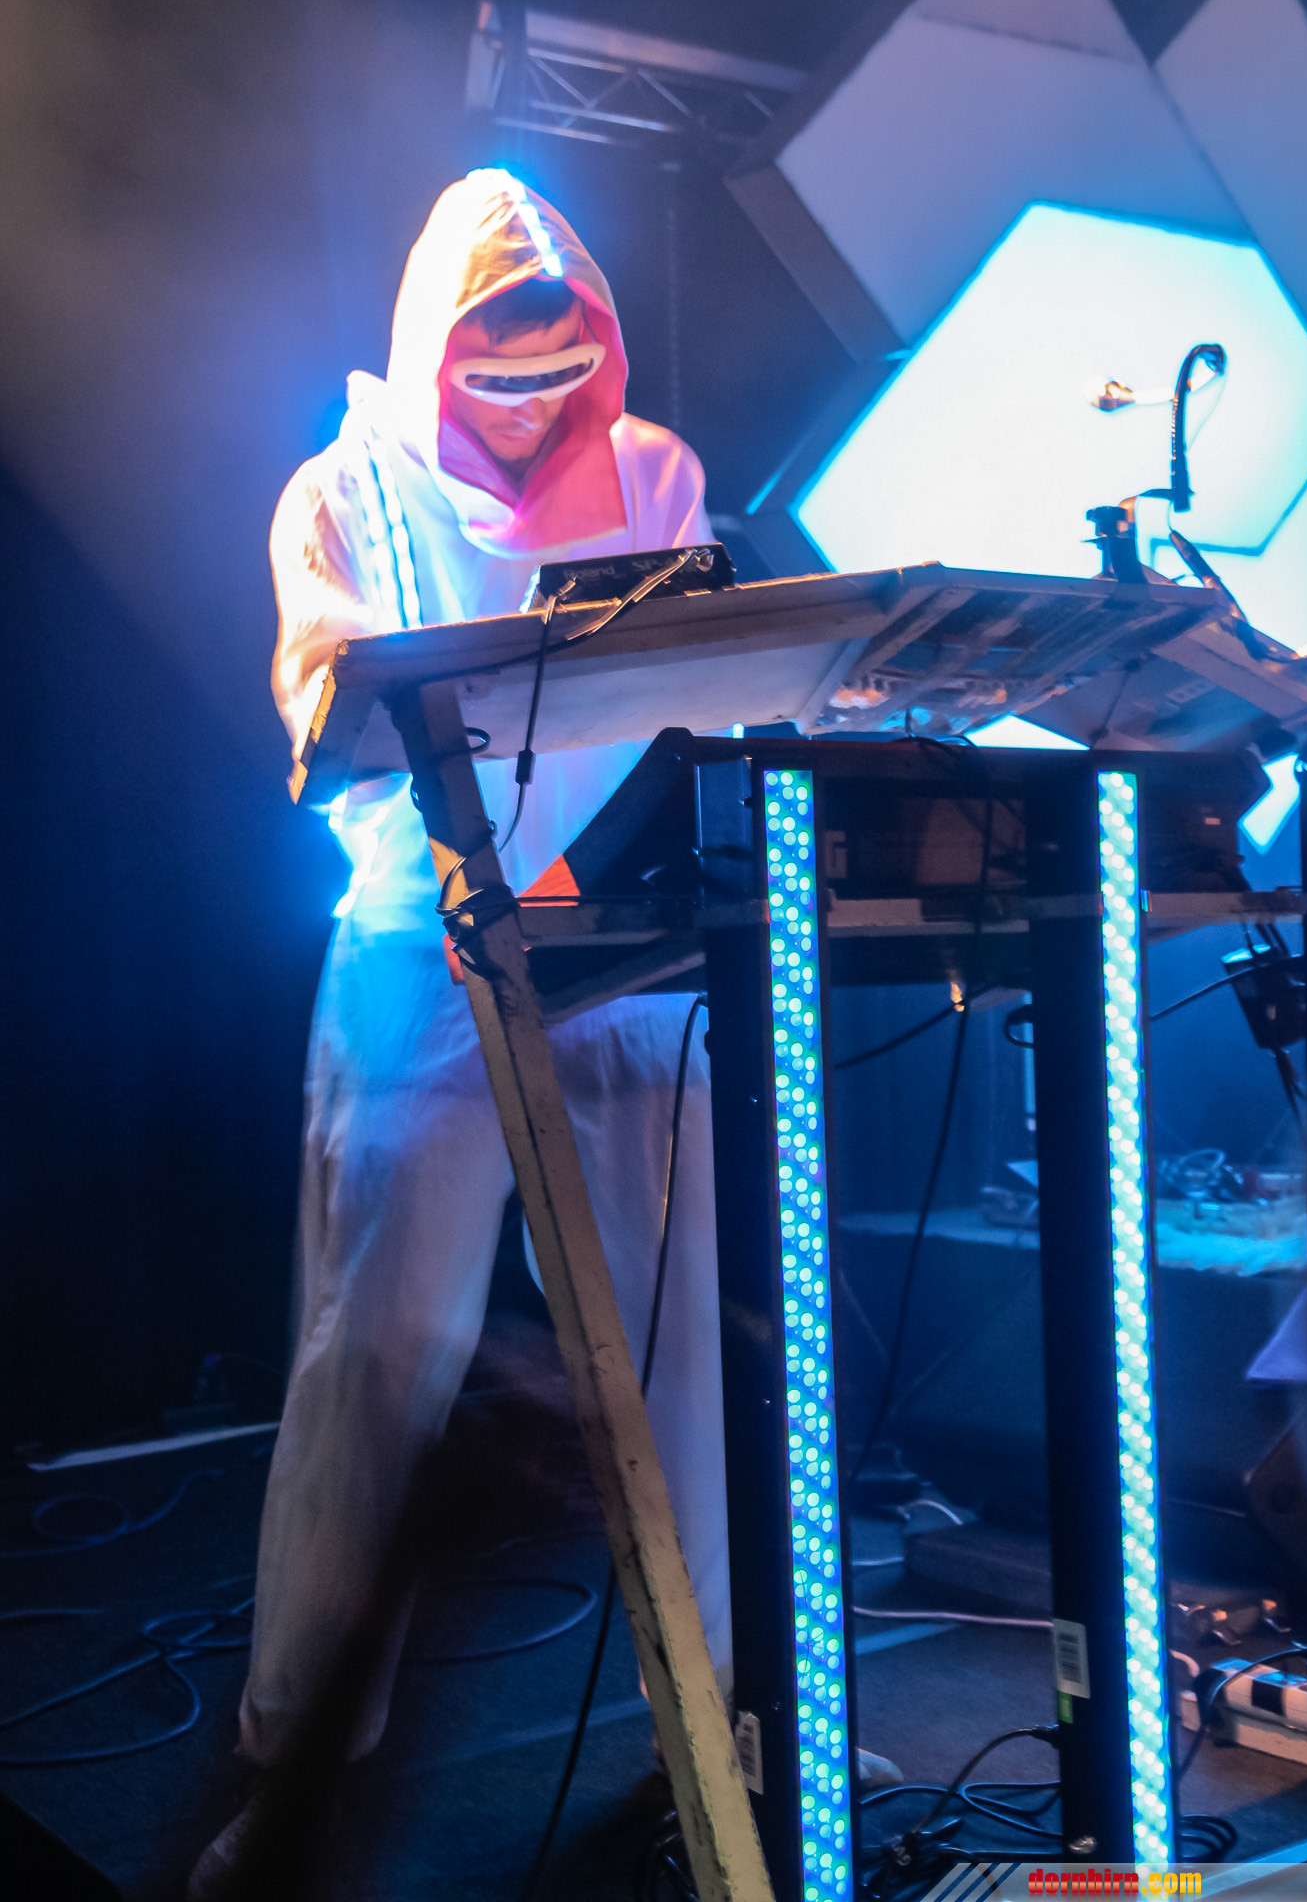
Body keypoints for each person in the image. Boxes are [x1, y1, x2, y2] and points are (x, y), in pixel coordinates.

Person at [188, 169, 732, 1898]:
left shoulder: (652, 469)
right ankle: (298, 1761)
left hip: (623, 947)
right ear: (437, 352)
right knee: (380, 1352)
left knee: (679, 1360)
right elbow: (327, 711)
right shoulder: (344, 488)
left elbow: (698, 677)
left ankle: (712, 1733)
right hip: (424, 952)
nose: (529, 408)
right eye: (497, 378)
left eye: (559, 373)